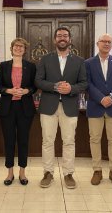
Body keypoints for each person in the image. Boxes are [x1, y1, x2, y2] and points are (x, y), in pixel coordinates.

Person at [35, 26, 87, 189]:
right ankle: (48, 173)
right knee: (47, 141)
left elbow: (84, 83)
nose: (62, 38)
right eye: (59, 36)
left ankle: (68, 174)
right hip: (48, 106)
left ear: (70, 40)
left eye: (65, 36)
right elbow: (38, 81)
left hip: (70, 106)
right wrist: (55, 86)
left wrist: (71, 89)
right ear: (54, 40)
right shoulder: (45, 59)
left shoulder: (79, 61)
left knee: (69, 141)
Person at [85, 34, 112, 187]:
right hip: (95, 107)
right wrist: (101, 98)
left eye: (109, 42)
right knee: (94, 139)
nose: (106, 44)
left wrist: (111, 96)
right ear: (98, 44)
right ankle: (97, 171)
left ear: (111, 45)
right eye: (104, 41)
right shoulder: (88, 63)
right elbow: (87, 83)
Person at [0, 38, 37, 186]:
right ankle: (10, 173)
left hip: (25, 108)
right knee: (9, 141)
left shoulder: (31, 66)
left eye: (21, 47)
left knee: (23, 140)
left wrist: (26, 90)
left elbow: (34, 86)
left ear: (25, 50)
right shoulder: (4, 65)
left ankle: (22, 173)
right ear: (11, 48)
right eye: (16, 46)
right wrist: (8, 90)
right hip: (7, 107)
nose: (18, 48)